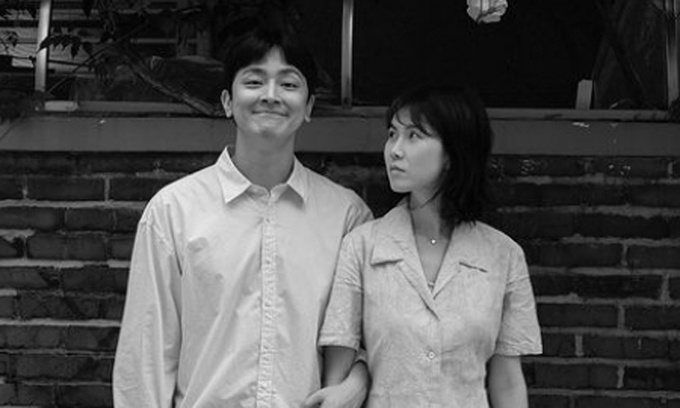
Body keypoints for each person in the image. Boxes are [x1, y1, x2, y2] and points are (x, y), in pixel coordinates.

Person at [112, 21, 373, 408]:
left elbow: (374, 337)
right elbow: (145, 356)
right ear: (227, 101)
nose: (271, 95)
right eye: (254, 81)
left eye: (289, 83)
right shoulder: (173, 211)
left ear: (309, 107)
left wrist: (357, 381)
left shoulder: (347, 217)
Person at [314, 85, 542, 407]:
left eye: (414, 136)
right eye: (392, 134)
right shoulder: (362, 247)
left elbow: (507, 380)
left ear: (452, 152)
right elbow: (337, 372)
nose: (395, 150)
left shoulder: (502, 255)